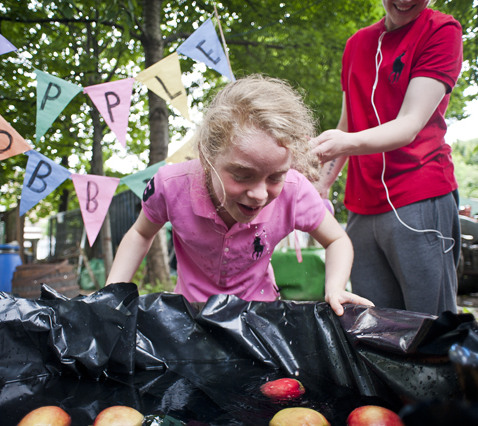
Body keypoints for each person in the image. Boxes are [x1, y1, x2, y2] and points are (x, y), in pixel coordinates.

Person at [106, 75, 373, 316]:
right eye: (242, 175)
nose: (258, 194)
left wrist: (335, 287)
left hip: (259, 313)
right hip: (191, 313)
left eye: (275, 177)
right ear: (206, 155)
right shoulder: (170, 185)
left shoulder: (294, 190)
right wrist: (111, 295)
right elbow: (141, 233)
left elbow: (337, 239)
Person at [310, 0, 463, 315]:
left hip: (419, 196)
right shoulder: (356, 44)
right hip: (361, 206)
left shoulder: (441, 30)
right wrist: (320, 184)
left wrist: (343, 143)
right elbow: (346, 123)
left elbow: (409, 124)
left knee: (429, 324)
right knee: (374, 323)